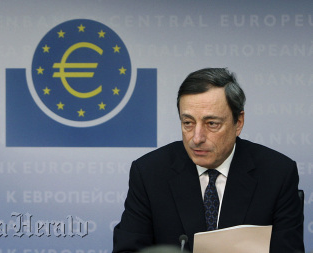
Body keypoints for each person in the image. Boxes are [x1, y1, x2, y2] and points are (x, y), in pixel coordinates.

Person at [112, 68, 304, 252]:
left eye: (212, 124)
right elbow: (128, 249)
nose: (196, 138)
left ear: (238, 122)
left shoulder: (277, 174)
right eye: (188, 123)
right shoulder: (149, 172)